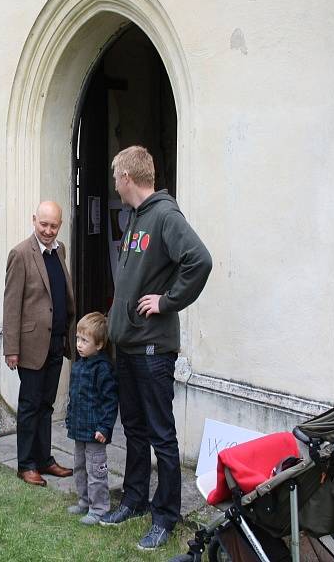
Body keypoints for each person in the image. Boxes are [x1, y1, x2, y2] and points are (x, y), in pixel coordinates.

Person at [101, 145, 212, 551]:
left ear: (128, 177)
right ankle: (134, 499)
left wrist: (166, 301)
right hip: (128, 346)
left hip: (152, 350)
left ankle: (166, 515)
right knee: (133, 428)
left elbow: (199, 260)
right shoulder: (136, 218)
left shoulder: (165, 215)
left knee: (161, 435)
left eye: (116, 176)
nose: (114, 182)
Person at [3, 201, 75, 487]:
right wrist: (11, 348)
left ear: (60, 225)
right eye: (43, 224)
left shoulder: (61, 251)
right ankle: (26, 464)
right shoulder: (20, 254)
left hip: (57, 341)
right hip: (31, 345)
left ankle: (45, 459)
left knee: (47, 404)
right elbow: (11, 305)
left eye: (53, 226)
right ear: (34, 220)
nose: (48, 230)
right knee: (30, 405)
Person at [65, 312, 118, 525]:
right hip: (79, 428)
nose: (79, 344)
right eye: (78, 339)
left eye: (84, 340)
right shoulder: (78, 366)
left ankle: (100, 508)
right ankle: (84, 501)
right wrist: (70, 418)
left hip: (95, 432)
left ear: (99, 344)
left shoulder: (103, 369)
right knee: (79, 466)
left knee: (96, 470)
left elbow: (109, 401)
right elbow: (74, 396)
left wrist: (105, 427)